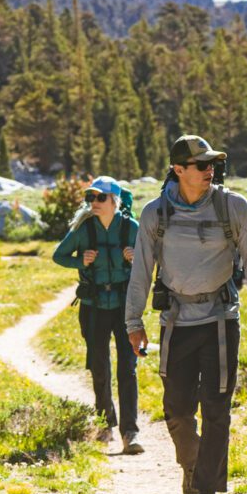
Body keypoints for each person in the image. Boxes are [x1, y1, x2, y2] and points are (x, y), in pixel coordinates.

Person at [125, 136, 247, 494]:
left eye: (212, 165)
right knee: (176, 409)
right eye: (201, 165)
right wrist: (133, 321)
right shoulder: (155, 213)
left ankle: (206, 493)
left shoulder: (232, 206)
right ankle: (192, 465)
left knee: (217, 409)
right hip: (176, 322)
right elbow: (140, 269)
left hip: (222, 320)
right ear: (178, 169)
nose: (210, 170)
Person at [53, 175, 143, 454]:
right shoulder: (84, 229)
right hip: (93, 306)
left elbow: (154, 258)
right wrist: (80, 261)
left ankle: (130, 432)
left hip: (125, 305)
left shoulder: (131, 228)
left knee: (127, 367)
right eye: (91, 197)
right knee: (99, 366)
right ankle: (105, 424)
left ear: (115, 201)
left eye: (100, 197)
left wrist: (135, 255)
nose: (94, 202)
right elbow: (59, 255)